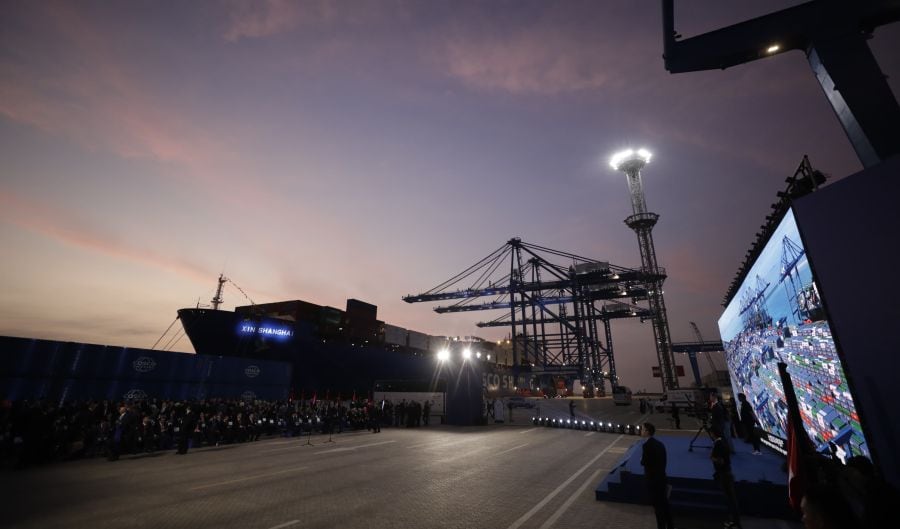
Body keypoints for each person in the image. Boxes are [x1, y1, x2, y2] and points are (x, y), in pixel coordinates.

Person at [640, 422, 674, 529]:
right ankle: (670, 526)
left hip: (653, 481)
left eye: (642, 429)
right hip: (662, 478)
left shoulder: (646, 446)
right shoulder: (660, 444)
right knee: (665, 505)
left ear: (647, 432)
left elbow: (644, 462)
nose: (641, 431)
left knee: (658, 507)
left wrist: (642, 460)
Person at [711, 426, 741, 528]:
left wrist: (713, 458)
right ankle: (735, 520)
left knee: (730, 499)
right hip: (727, 472)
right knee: (731, 499)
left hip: (724, 474)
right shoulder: (723, 442)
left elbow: (720, 461)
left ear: (713, 433)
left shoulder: (718, 444)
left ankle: (734, 521)